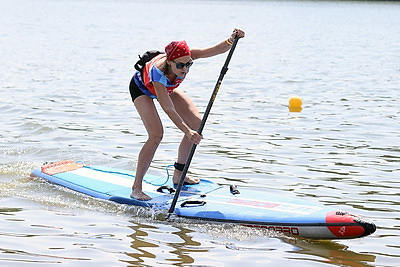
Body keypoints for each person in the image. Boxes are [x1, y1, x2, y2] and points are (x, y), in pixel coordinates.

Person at [129, 28, 245, 200]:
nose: (185, 69)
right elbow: (168, 108)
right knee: (156, 135)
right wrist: (186, 132)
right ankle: (136, 187)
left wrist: (231, 39)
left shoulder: (186, 55)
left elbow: (215, 50)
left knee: (197, 124)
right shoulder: (157, 73)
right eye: (181, 65)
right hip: (142, 89)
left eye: (189, 64)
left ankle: (179, 174)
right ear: (170, 62)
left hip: (168, 89)